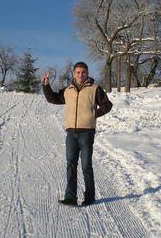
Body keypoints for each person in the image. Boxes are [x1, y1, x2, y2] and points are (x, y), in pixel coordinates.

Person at [42, 62, 112, 206]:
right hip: (71, 133)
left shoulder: (95, 89)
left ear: (87, 73)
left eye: (84, 72)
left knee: (86, 165)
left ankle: (90, 197)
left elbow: (107, 105)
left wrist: (93, 114)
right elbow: (53, 98)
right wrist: (46, 86)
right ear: (74, 73)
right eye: (78, 72)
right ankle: (71, 197)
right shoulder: (68, 89)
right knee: (71, 164)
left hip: (87, 132)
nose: (81, 75)